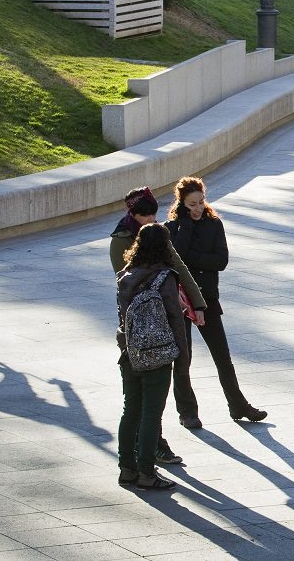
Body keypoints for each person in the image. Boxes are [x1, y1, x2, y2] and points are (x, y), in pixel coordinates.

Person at [109, 186, 205, 466]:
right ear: (133, 214)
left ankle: (132, 463)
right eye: (145, 215)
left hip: (142, 337)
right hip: (142, 338)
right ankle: (147, 461)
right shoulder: (124, 242)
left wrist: (197, 304)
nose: (150, 220)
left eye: (153, 214)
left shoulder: (156, 236)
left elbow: (181, 268)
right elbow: (126, 290)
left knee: (139, 407)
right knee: (145, 408)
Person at [165, 177, 266, 428]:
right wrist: (186, 227)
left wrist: (190, 258)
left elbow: (220, 261)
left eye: (201, 202)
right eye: (192, 204)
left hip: (207, 299)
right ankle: (187, 412)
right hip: (180, 302)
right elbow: (173, 260)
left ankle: (238, 405)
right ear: (182, 203)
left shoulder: (214, 224)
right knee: (182, 358)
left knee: (222, 356)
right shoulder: (172, 227)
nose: (198, 208)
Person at [115, 222, 189, 491]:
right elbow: (175, 320)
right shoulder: (165, 277)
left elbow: (122, 319)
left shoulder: (125, 275)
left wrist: (126, 349)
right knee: (151, 415)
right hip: (158, 356)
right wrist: (182, 359)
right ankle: (147, 472)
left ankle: (126, 468)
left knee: (130, 411)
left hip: (130, 355)